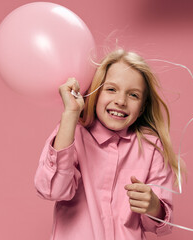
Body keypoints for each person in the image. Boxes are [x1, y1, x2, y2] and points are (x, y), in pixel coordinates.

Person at [34, 49, 181, 240]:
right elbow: (52, 190)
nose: (120, 101)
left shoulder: (151, 148)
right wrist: (70, 114)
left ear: (143, 106)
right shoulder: (73, 134)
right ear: (96, 93)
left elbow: (159, 226)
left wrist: (154, 206)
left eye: (133, 95)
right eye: (111, 89)